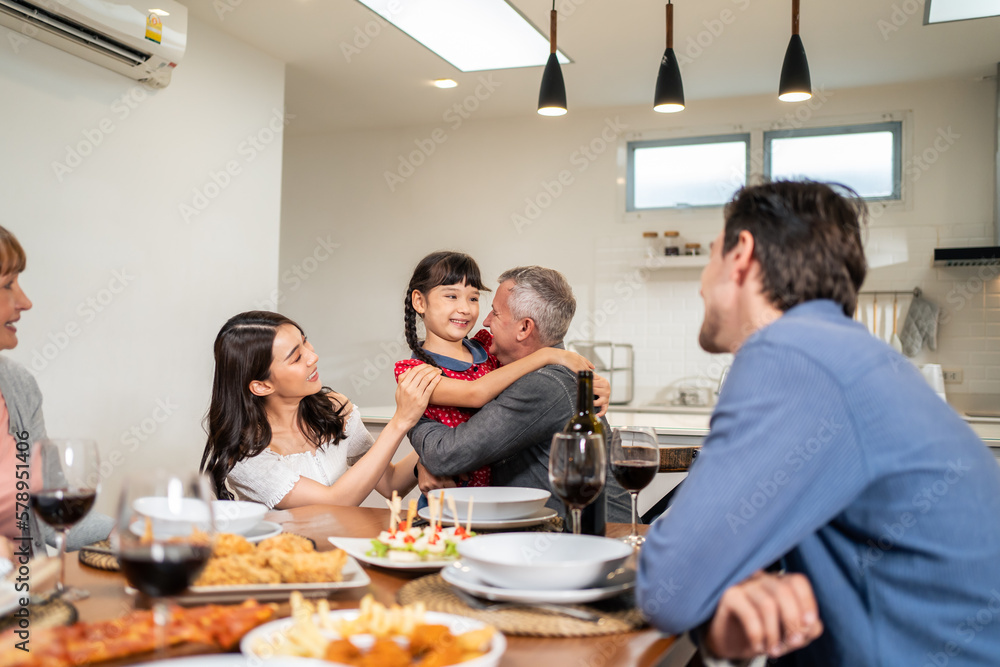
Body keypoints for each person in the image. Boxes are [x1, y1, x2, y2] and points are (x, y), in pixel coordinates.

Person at [637, 181, 1000, 665]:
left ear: (741, 253)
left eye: (709, 257)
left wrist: (708, 586)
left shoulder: (791, 353)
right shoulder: (844, 352)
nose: (703, 283)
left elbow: (668, 585)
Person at [408, 265, 630, 523]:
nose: (486, 321)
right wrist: (421, 463)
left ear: (524, 328)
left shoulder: (543, 384)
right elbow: (464, 443)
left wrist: (411, 411)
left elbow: (445, 456)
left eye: (495, 312)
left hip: (584, 543)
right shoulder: (523, 373)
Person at [200, 311, 441, 509]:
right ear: (262, 385)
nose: (313, 356)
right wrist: (400, 422)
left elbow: (390, 483)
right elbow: (332, 504)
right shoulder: (244, 454)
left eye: (304, 341)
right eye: (296, 358)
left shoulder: (334, 410)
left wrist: (444, 441)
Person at [395, 251, 593, 487]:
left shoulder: (486, 348)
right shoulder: (416, 372)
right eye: (451, 296)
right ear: (419, 302)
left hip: (491, 491)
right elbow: (475, 393)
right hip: (455, 492)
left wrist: (593, 385)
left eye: (473, 298)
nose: (465, 309)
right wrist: (547, 354)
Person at [0, 225, 111, 555]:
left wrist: (133, 529)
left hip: (27, 600)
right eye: (7, 285)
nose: (25, 302)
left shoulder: (19, 387)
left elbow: (49, 513)